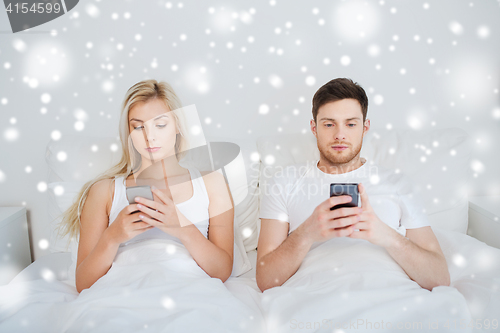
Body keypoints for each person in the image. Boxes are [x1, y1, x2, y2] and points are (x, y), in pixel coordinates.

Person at [256, 77, 450, 292]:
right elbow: (266, 279)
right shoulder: (284, 182)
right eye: (329, 124)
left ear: (365, 127)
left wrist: (386, 236)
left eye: (350, 124)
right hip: (315, 298)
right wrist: (307, 233)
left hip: (391, 297)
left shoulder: (398, 184)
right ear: (314, 127)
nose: (340, 134)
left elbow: (439, 277)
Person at [55, 79, 235, 292]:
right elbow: (83, 283)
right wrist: (113, 237)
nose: (150, 137)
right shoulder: (104, 191)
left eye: (160, 125)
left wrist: (183, 228)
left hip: (188, 290)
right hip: (121, 292)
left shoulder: (212, 184)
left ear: (177, 126)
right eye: (138, 127)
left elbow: (222, 271)